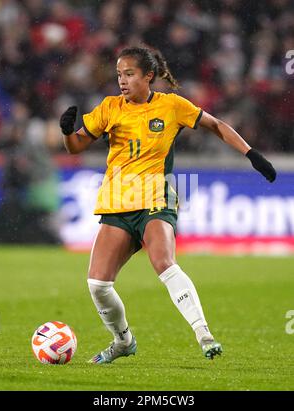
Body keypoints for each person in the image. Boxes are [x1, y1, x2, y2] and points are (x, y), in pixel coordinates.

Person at [59, 47, 276, 364]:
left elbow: (215, 125)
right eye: (119, 74)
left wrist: (251, 153)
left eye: (129, 74)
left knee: (163, 261)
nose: (122, 81)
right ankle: (123, 342)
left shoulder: (172, 106)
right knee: (98, 285)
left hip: (155, 198)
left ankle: (204, 334)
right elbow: (76, 146)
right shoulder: (109, 108)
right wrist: (67, 131)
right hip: (117, 203)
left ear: (148, 76)